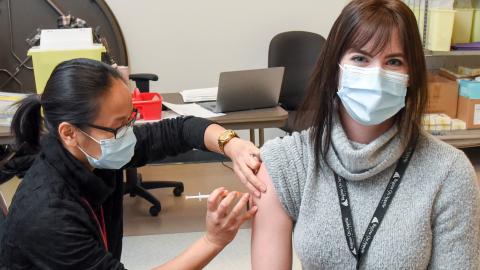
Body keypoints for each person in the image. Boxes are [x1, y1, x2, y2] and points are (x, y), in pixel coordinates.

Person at [251, 0, 480, 269]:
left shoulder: (449, 172)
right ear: (335, 68)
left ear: (411, 76)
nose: (376, 75)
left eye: (394, 61)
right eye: (360, 58)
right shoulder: (286, 163)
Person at [0, 58, 264, 269]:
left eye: (131, 119)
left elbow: (181, 129)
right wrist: (212, 240)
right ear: (69, 133)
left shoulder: (92, 152)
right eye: (118, 126)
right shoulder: (47, 215)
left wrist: (232, 144)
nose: (128, 133)